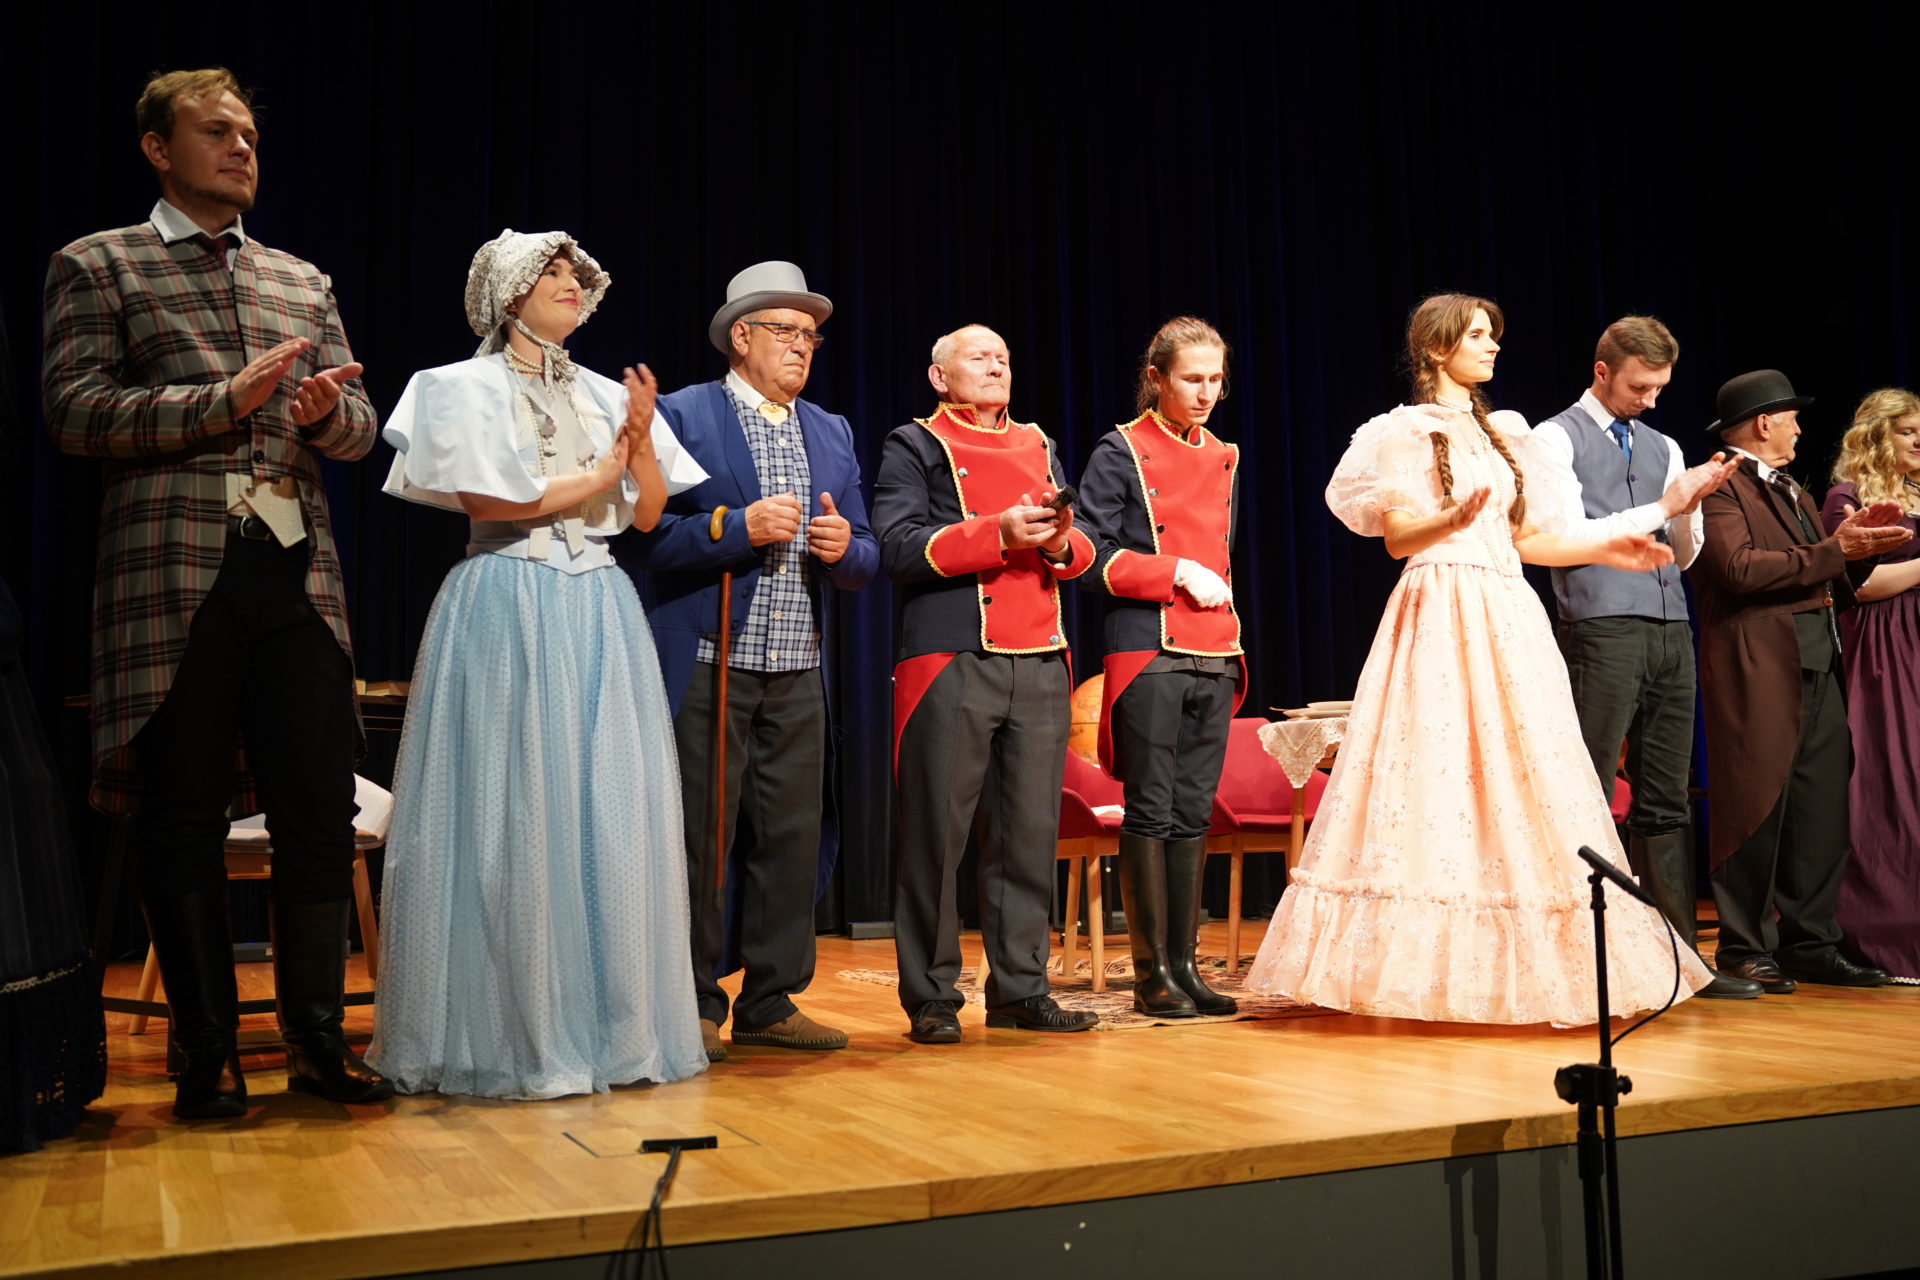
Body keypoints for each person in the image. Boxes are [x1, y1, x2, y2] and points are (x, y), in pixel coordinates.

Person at [42, 68, 387, 1118]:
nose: (241, 148)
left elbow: (361, 428)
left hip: (295, 575)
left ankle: (317, 1042)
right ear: (158, 148)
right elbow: (74, 411)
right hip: (171, 571)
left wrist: (326, 415)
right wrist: (219, 402)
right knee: (182, 809)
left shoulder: (300, 279)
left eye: (249, 134)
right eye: (215, 131)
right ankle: (207, 1054)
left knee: (318, 808)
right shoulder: (100, 262)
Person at [1246, 294, 1714, 1026]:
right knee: (1439, 775)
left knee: (1523, 774)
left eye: (1493, 336)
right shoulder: (1405, 432)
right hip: (1442, 600)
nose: (1492, 346)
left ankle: (1526, 967)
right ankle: (1417, 970)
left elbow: (1530, 542)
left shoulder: (1505, 434)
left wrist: (1608, 547)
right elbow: (1398, 538)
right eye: (1476, 336)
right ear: (1437, 349)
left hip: (1506, 607)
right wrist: (1449, 519)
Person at [369, 230, 710, 1098]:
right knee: (512, 806)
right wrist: (605, 469)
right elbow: (491, 499)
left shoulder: (605, 392)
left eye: (574, 274)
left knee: (606, 814)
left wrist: (638, 444)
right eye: (548, 272)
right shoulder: (456, 387)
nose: (568, 283)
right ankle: (508, 1032)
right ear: (507, 293)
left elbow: (645, 516)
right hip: (507, 596)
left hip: (597, 605)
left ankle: (613, 1031)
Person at [625, 262, 877, 1061]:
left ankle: (770, 999)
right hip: (712, 659)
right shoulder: (683, 413)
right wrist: (736, 528)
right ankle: (693, 999)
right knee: (703, 838)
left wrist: (844, 549)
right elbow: (644, 536)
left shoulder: (830, 430)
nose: (802, 346)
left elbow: (866, 552)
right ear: (741, 337)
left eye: (811, 336)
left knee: (791, 839)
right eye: (786, 331)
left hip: (799, 667)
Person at [876, 324, 1101, 1043]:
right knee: (935, 839)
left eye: (1004, 357)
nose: (997, 365)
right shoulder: (914, 443)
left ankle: (1020, 989)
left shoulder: (1038, 442)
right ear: (939, 376)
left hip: (1040, 657)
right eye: (979, 357)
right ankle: (932, 997)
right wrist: (997, 532)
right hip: (952, 658)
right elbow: (895, 546)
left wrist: (1060, 540)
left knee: (1028, 837)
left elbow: (1083, 550)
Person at [1530, 317, 1757, 999]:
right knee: (1591, 789)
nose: (1651, 399)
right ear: (1602, 371)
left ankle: (1679, 963)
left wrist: (1689, 510)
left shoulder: (1664, 445)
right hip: (1601, 628)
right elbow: (1563, 535)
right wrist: (1666, 502)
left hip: (1669, 627)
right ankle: (1583, 961)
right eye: (1639, 386)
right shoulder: (1554, 438)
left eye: (1660, 388)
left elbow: (1681, 555)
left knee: (1666, 798)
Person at [1691, 370, 1911, 993]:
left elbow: (1825, 573)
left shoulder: (1790, 489)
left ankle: (1811, 943)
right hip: (1758, 668)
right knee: (1754, 807)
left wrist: (1858, 548)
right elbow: (1738, 569)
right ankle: (1744, 947)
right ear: (1764, 423)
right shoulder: (1719, 486)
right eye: (1791, 419)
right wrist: (1838, 550)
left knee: (1820, 812)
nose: (1798, 430)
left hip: (1817, 661)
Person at [1077, 317, 1244, 1017]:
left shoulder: (1223, 454)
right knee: (1151, 806)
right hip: (1150, 645)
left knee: (1193, 810)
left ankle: (1186, 966)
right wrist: (1170, 570)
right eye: (1191, 379)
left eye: (1215, 381)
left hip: (1216, 647)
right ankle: (1152, 976)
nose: (1205, 393)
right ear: (1157, 378)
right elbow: (1086, 553)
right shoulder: (1120, 449)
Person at [1822, 389, 1920, 980]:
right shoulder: (1849, 498)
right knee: (1893, 777)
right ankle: (1887, 926)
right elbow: (1854, 585)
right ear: (1878, 436)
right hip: (1887, 651)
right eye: (1908, 431)